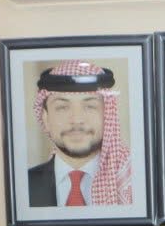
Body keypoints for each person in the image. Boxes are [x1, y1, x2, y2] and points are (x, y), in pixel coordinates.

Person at [27, 61, 134, 207]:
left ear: (108, 115)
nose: (76, 120)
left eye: (90, 106)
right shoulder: (22, 186)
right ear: (45, 119)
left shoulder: (134, 182)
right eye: (62, 107)